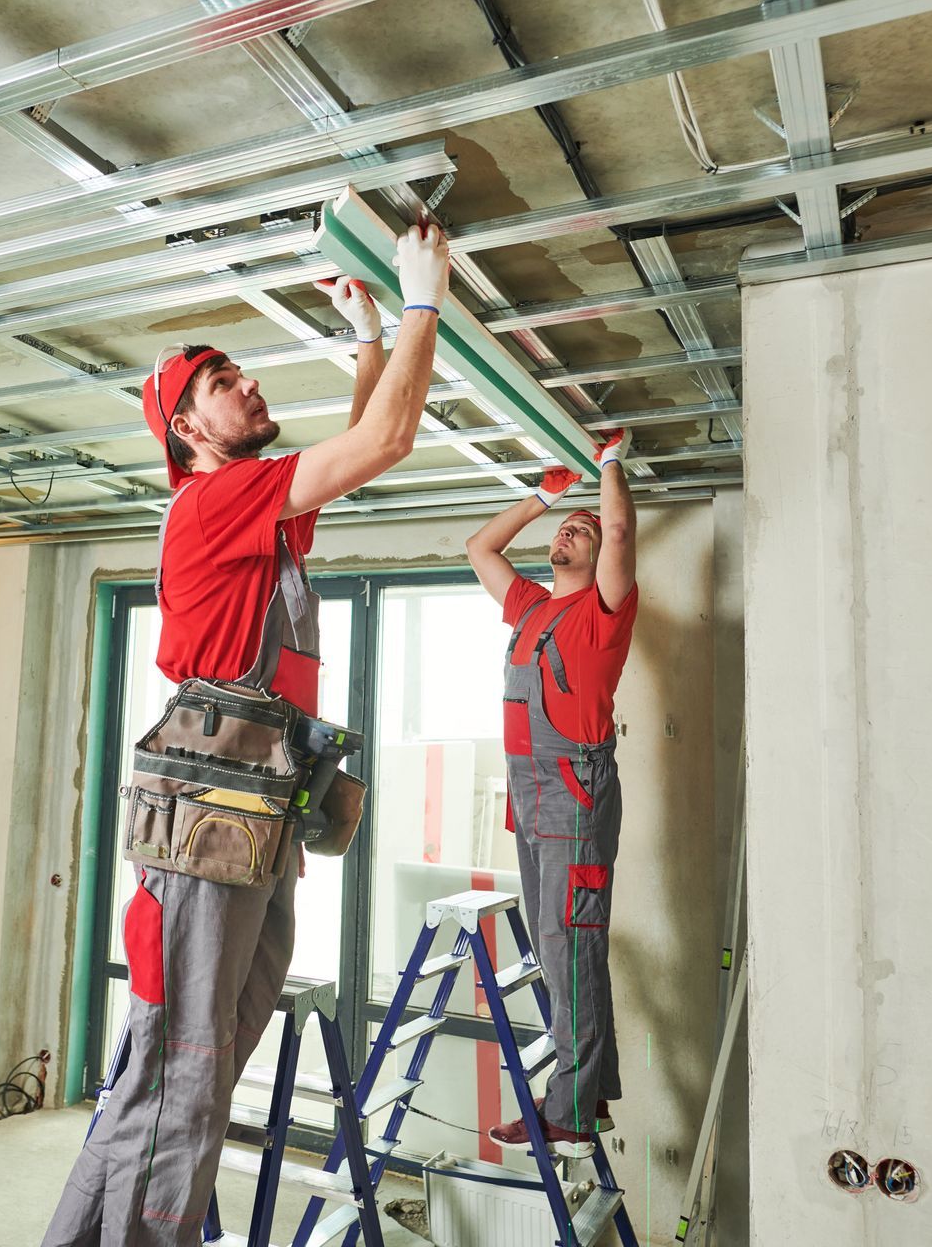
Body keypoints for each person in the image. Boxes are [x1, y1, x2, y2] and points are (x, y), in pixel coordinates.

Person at [43, 219, 452, 1246]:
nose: (251, 386)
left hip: (252, 820)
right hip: (212, 824)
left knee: (203, 1054)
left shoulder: (255, 515)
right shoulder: (213, 504)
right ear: (187, 427)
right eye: (227, 380)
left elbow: (352, 459)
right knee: (182, 1068)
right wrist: (419, 300)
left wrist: (366, 341)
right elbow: (386, 443)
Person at [463, 430, 637, 1159]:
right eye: (567, 529)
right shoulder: (533, 606)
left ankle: (570, 1107)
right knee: (558, 948)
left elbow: (621, 524)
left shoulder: (604, 611)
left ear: (602, 558)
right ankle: (585, 1089)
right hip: (533, 796)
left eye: (582, 531)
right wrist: (541, 498)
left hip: (574, 793)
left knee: (572, 951)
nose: (572, 531)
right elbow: (480, 549)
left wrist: (606, 467)